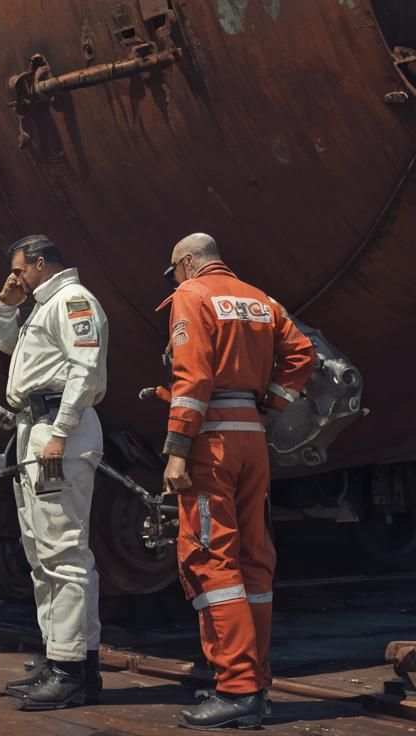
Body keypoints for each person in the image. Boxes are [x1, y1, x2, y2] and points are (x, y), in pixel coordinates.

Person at [159, 234, 316, 730]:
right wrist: (271, 404)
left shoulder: (192, 296)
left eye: (175, 271)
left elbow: (193, 378)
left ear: (187, 263)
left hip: (212, 443)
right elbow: (302, 354)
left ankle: (237, 689)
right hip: (252, 437)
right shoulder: (260, 298)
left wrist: (177, 451)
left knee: (210, 559)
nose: (176, 280)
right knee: (253, 560)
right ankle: (254, 681)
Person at [0, 234, 108, 711]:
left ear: (41, 263)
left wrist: (61, 430)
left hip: (61, 426)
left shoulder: (72, 301)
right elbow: (9, 350)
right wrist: (5, 307)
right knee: (41, 554)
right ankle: (62, 657)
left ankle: (72, 672)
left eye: (19, 270)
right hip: (34, 428)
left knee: (65, 553)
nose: (15, 278)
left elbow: (86, 366)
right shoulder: (42, 305)